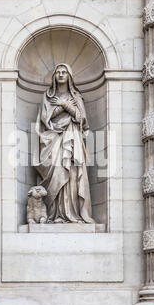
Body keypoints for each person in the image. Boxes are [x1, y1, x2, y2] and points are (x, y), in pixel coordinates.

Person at [35, 63, 94, 224]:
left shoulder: (76, 97)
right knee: (56, 172)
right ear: (54, 76)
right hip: (53, 139)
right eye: (58, 72)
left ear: (69, 76)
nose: (61, 75)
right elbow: (45, 120)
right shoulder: (47, 97)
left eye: (64, 72)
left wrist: (65, 104)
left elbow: (82, 119)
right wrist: (61, 107)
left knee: (73, 175)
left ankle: (72, 213)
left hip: (72, 138)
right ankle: (54, 214)